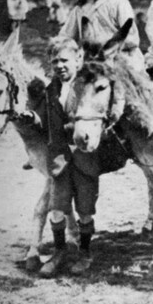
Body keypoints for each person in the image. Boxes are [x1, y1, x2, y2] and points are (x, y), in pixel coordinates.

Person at [16, 37, 100, 277]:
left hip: (84, 158)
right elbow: (43, 117)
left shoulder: (88, 85)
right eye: (55, 62)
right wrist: (32, 118)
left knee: (85, 209)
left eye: (65, 60)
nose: (60, 66)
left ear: (78, 59)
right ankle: (60, 251)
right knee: (56, 208)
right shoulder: (51, 88)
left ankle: (84, 252)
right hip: (60, 159)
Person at [61, 0, 145, 71]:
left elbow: (131, 38)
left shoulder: (117, 0)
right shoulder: (80, 7)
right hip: (90, 61)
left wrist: (106, 50)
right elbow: (66, 37)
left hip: (121, 59)